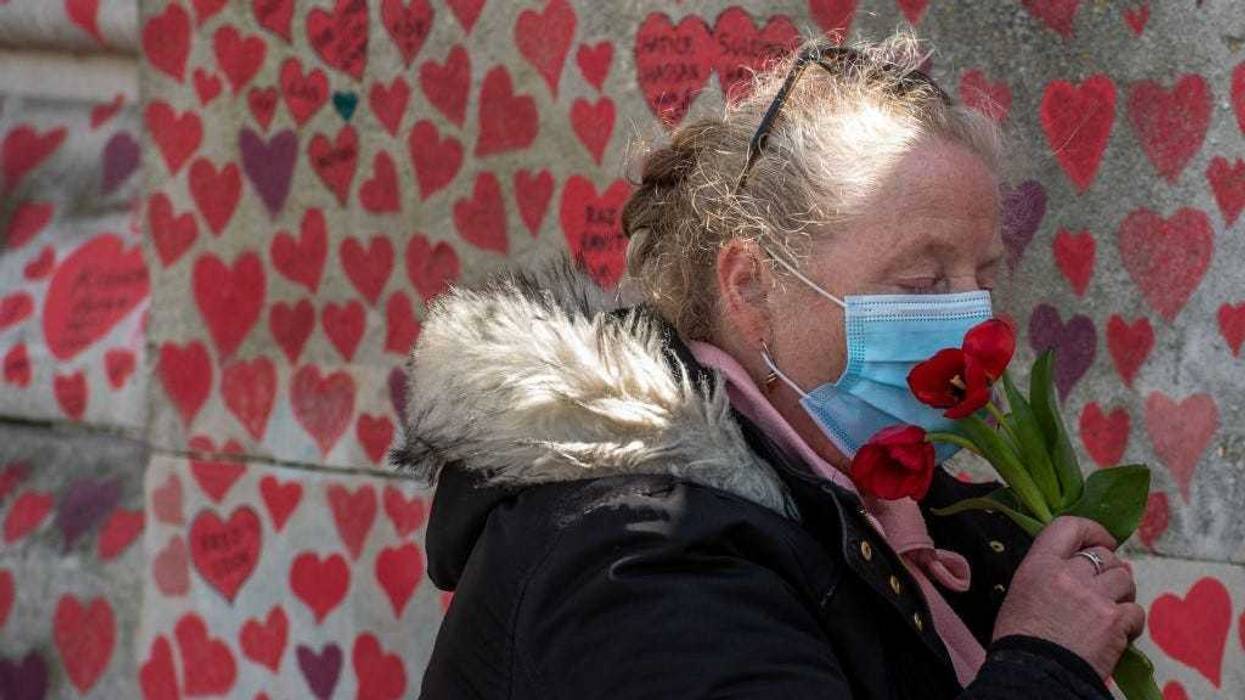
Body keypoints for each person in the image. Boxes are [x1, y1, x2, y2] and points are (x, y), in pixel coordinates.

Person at [394, 29, 1144, 699]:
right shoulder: (632, 552)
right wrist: (1046, 664)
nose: (968, 317)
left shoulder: (900, 506)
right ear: (751, 286)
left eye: (984, 276)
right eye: (920, 283)